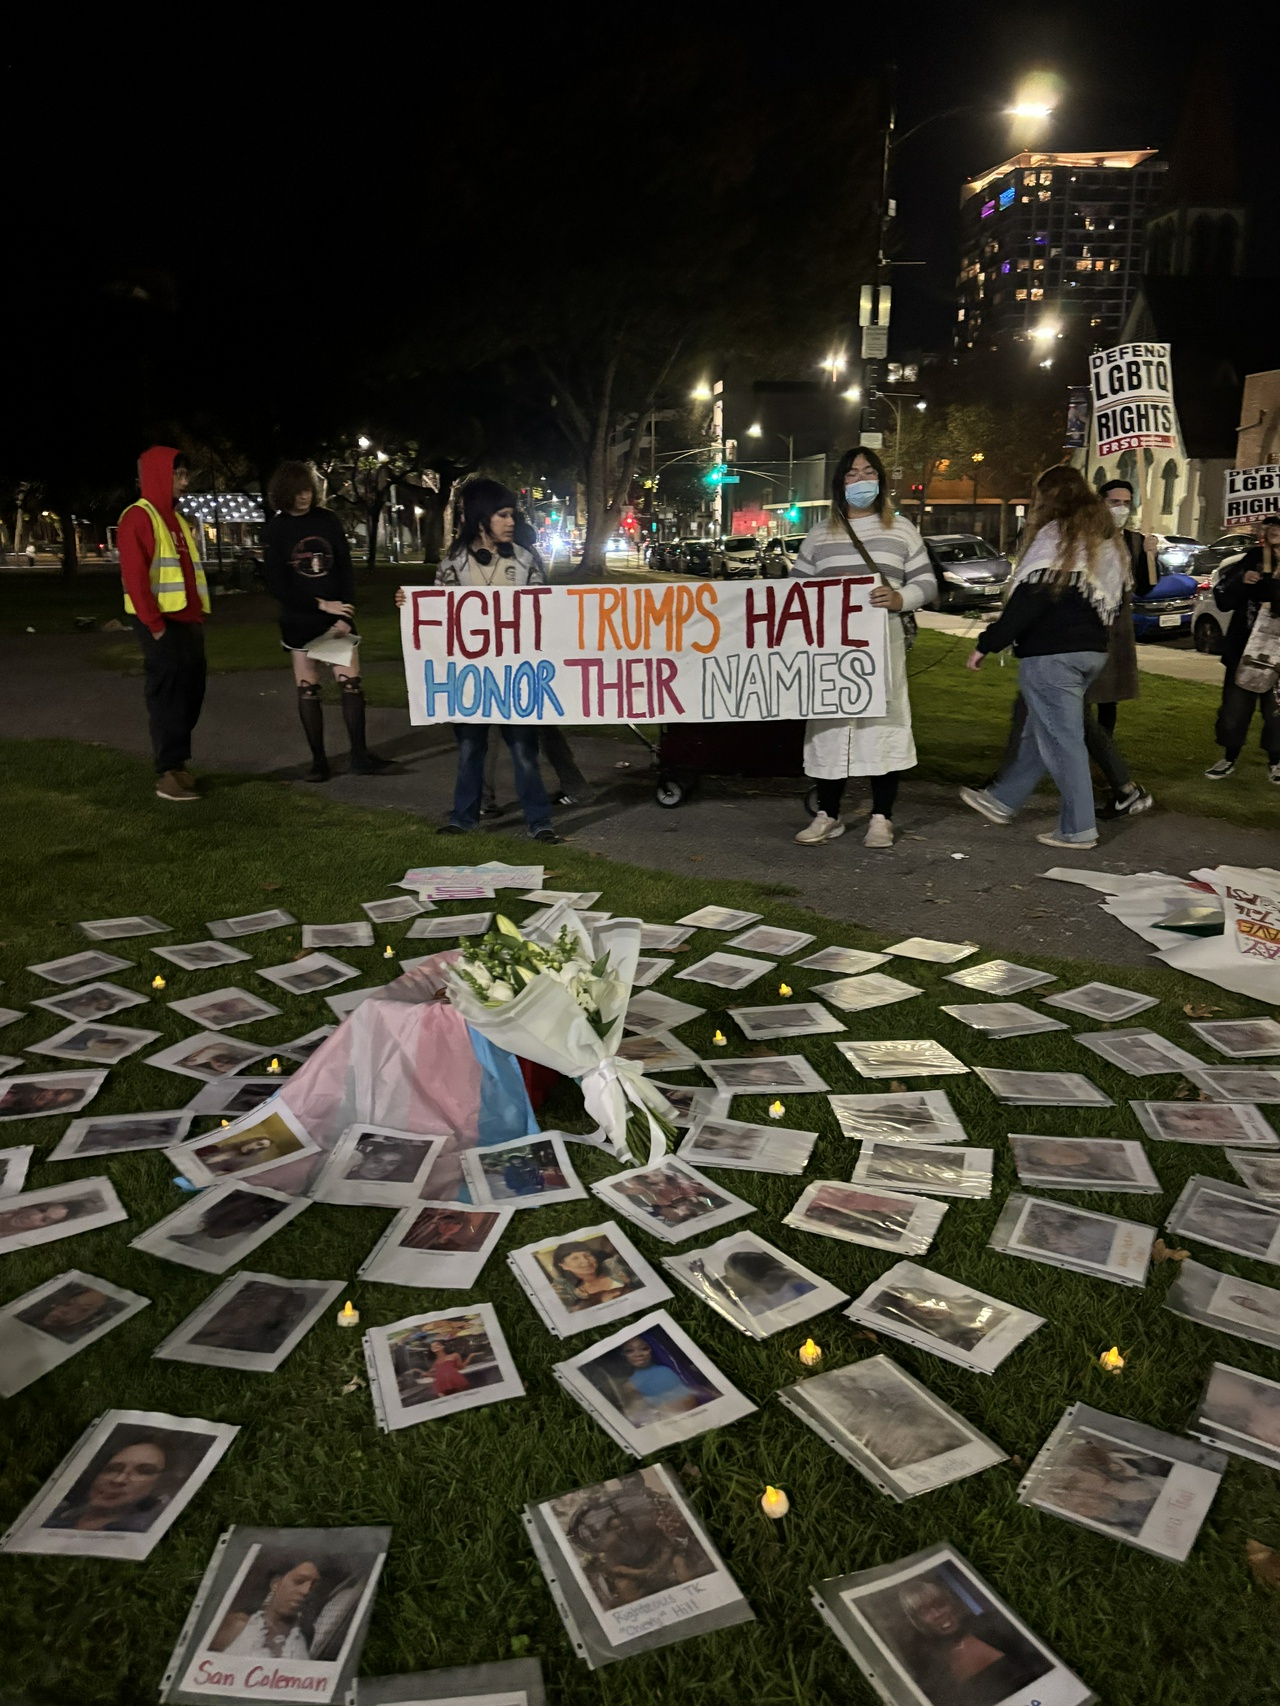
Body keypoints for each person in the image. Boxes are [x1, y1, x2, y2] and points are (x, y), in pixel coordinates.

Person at [958, 464, 1125, 850]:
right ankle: (1002, 800)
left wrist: (987, 643)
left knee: (1063, 741)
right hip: (1091, 651)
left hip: (1052, 657)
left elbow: (1030, 598)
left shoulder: (1056, 537)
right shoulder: (1102, 537)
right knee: (1041, 731)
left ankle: (1078, 828)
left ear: (1047, 498)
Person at [396, 479, 559, 843]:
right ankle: (463, 817)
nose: (510, 521)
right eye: (502, 514)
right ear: (481, 518)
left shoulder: (525, 559)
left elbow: (546, 612)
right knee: (471, 749)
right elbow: (439, 616)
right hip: (470, 679)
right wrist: (411, 606)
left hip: (518, 677)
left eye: (512, 514)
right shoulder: (453, 564)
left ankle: (539, 822)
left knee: (524, 752)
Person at [791, 446, 937, 849]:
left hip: (881, 645)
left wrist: (900, 599)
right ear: (840, 484)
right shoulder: (820, 535)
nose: (861, 480)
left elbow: (926, 583)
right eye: (852, 474)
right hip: (830, 649)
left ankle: (881, 817)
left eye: (868, 472)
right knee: (829, 727)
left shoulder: (902, 531)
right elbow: (794, 591)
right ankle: (829, 813)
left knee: (882, 725)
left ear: (881, 481)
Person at [263, 461, 390, 783]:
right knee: (308, 688)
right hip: (299, 620)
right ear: (284, 494)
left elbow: (345, 569)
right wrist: (320, 604)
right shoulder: (276, 529)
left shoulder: (327, 521)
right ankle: (319, 761)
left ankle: (359, 755)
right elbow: (277, 585)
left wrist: (346, 611)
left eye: (307, 490)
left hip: (336, 620)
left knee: (350, 684)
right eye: (297, 492)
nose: (304, 497)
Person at [117, 446, 209, 803]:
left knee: (193, 690)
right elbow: (135, 578)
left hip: (187, 621)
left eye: (186, 475)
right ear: (159, 474)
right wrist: (154, 625)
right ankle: (168, 772)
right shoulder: (138, 517)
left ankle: (177, 762)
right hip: (160, 624)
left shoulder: (179, 521)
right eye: (179, 475)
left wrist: (197, 616)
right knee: (167, 695)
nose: (185, 482)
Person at [1205, 516, 1280, 783]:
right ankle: (1229, 756)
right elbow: (1224, 598)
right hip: (1244, 651)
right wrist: (1241, 581)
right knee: (1233, 712)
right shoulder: (1251, 558)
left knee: (1276, 713)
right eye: (1270, 525)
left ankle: (1276, 761)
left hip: (1278, 656)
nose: (1274, 530)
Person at [45, 1438, 170, 1533]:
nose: (119, 1480)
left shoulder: (141, 1529)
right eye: (112, 1469)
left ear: (160, 1483)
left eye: (144, 1471)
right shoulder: (56, 1515)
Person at [213, 1559, 321, 1657]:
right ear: (275, 1583)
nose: (306, 1591)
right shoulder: (238, 1625)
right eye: (299, 1581)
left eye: (313, 1586)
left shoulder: (303, 1637)